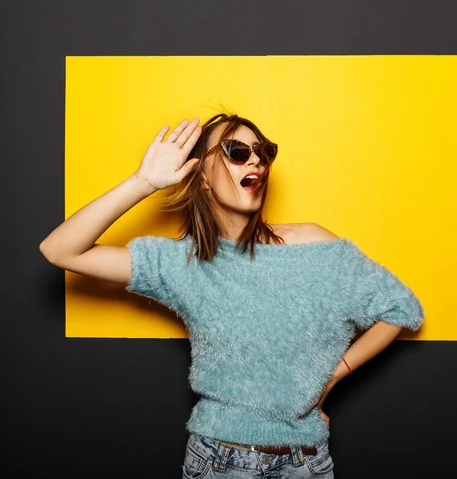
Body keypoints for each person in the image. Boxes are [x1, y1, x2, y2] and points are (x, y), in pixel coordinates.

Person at [39, 113, 425, 478]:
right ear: (202, 176)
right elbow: (61, 250)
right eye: (237, 152)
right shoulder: (183, 262)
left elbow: (401, 307)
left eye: (263, 151)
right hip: (218, 461)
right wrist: (143, 182)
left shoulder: (315, 245)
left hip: (305, 462)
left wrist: (331, 377)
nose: (255, 160)